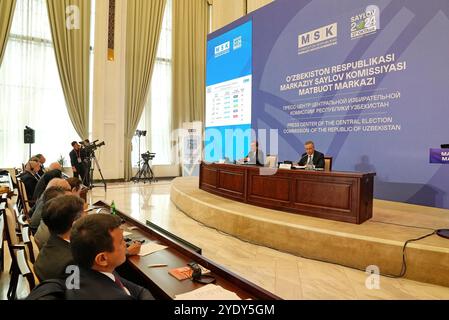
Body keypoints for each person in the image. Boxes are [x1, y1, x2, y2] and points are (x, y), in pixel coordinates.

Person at [67, 214, 154, 300]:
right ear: (102, 259)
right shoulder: (115, 297)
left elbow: (140, 291)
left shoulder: (87, 269)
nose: (125, 245)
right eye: (121, 242)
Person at [34, 195, 86, 281]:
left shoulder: (51, 243)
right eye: (85, 213)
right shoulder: (73, 261)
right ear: (76, 224)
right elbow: (77, 292)